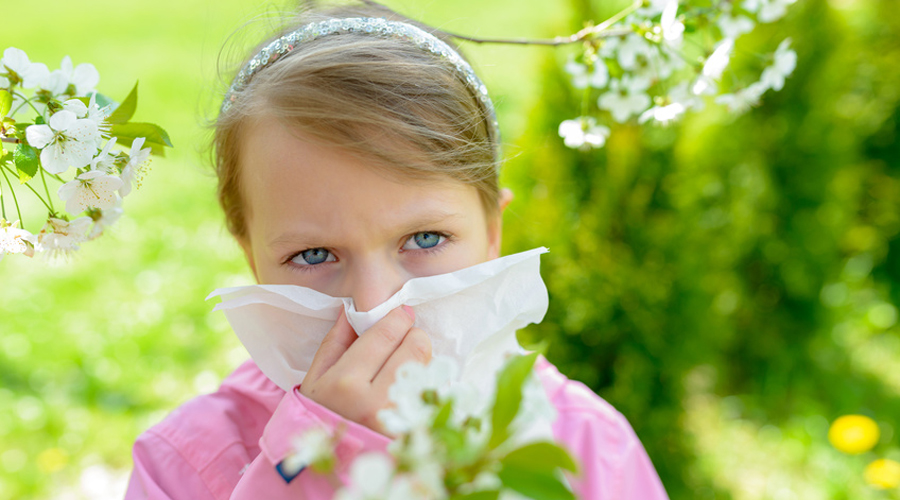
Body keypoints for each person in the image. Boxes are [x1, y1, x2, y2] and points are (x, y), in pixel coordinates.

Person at [124, 2, 669, 499]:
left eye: (425, 239)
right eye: (315, 255)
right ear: (252, 261)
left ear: (493, 234)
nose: (375, 306)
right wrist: (312, 465)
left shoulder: (584, 446)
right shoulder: (185, 466)